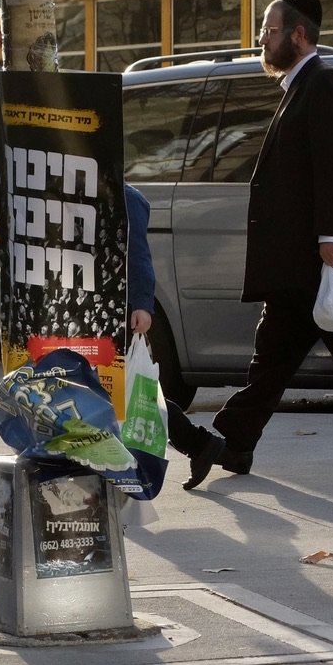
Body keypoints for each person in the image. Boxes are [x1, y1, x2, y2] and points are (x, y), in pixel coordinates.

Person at [175, 0, 333, 489]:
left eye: (268, 32)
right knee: (274, 358)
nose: (260, 41)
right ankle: (235, 444)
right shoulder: (299, 88)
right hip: (298, 261)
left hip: (320, 258)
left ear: (298, 34)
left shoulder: (325, 83)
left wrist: (331, 237)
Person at [125, 184, 226, 487]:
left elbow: (139, 256)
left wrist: (142, 303)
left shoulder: (127, 199)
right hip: (85, 309)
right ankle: (200, 444)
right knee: (124, 394)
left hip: (117, 309)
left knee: (127, 394)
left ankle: (198, 443)